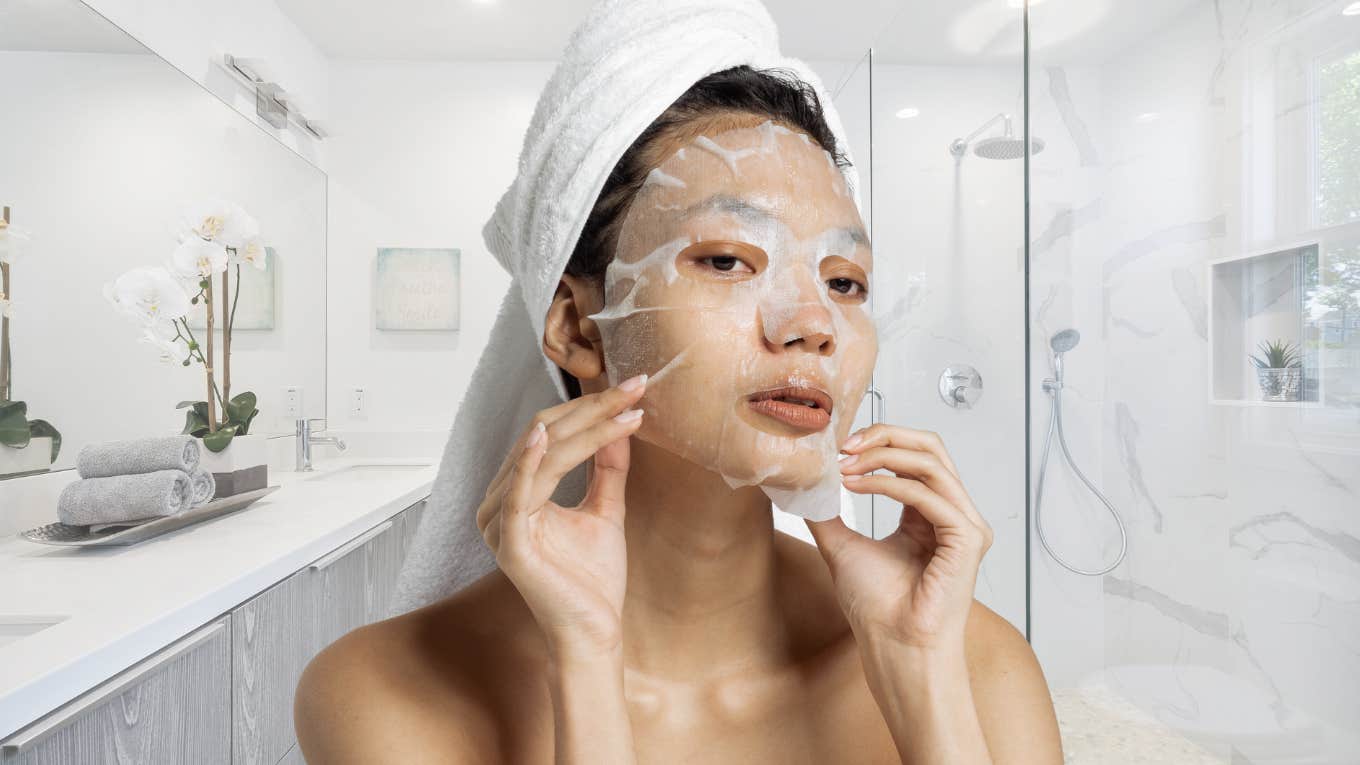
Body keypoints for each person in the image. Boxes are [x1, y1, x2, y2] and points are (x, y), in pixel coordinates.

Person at [294, 62, 1063, 763]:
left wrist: (922, 682)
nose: (813, 323)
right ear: (576, 326)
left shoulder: (973, 665)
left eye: (845, 280)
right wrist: (585, 662)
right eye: (728, 260)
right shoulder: (386, 693)